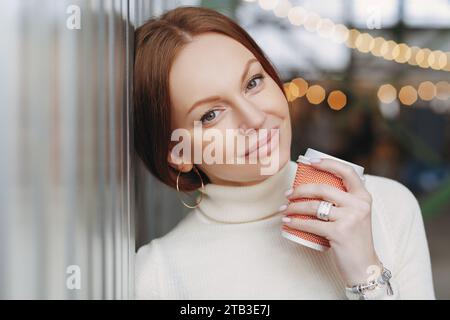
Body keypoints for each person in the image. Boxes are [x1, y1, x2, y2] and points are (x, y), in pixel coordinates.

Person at [133, 6, 435, 299]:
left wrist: (366, 277)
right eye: (211, 114)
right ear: (177, 153)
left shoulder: (387, 207)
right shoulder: (156, 277)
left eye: (253, 82)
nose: (254, 118)